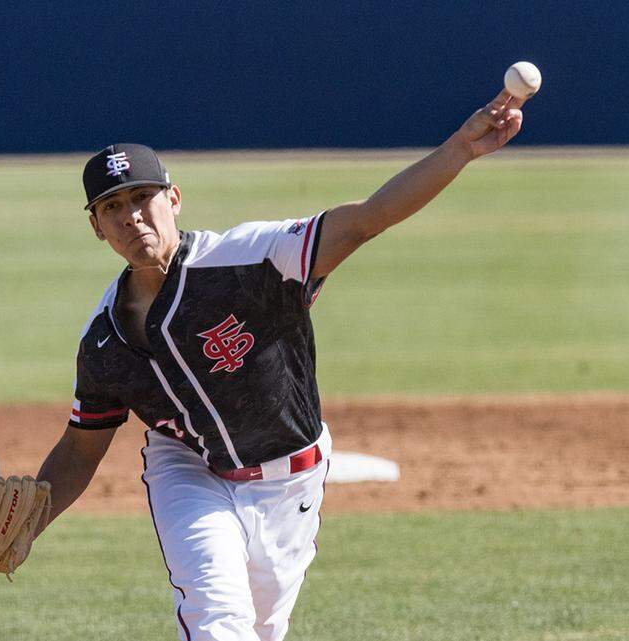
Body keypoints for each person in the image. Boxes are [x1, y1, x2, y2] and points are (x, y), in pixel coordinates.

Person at [35, 89, 528, 640]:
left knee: (263, 630)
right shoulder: (103, 340)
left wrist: (460, 148)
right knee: (217, 619)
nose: (131, 217)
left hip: (290, 479)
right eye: (112, 207)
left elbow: (366, 220)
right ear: (97, 227)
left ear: (174, 198)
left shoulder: (250, 260)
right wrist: (29, 522)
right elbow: (82, 446)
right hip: (189, 471)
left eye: (142, 197)